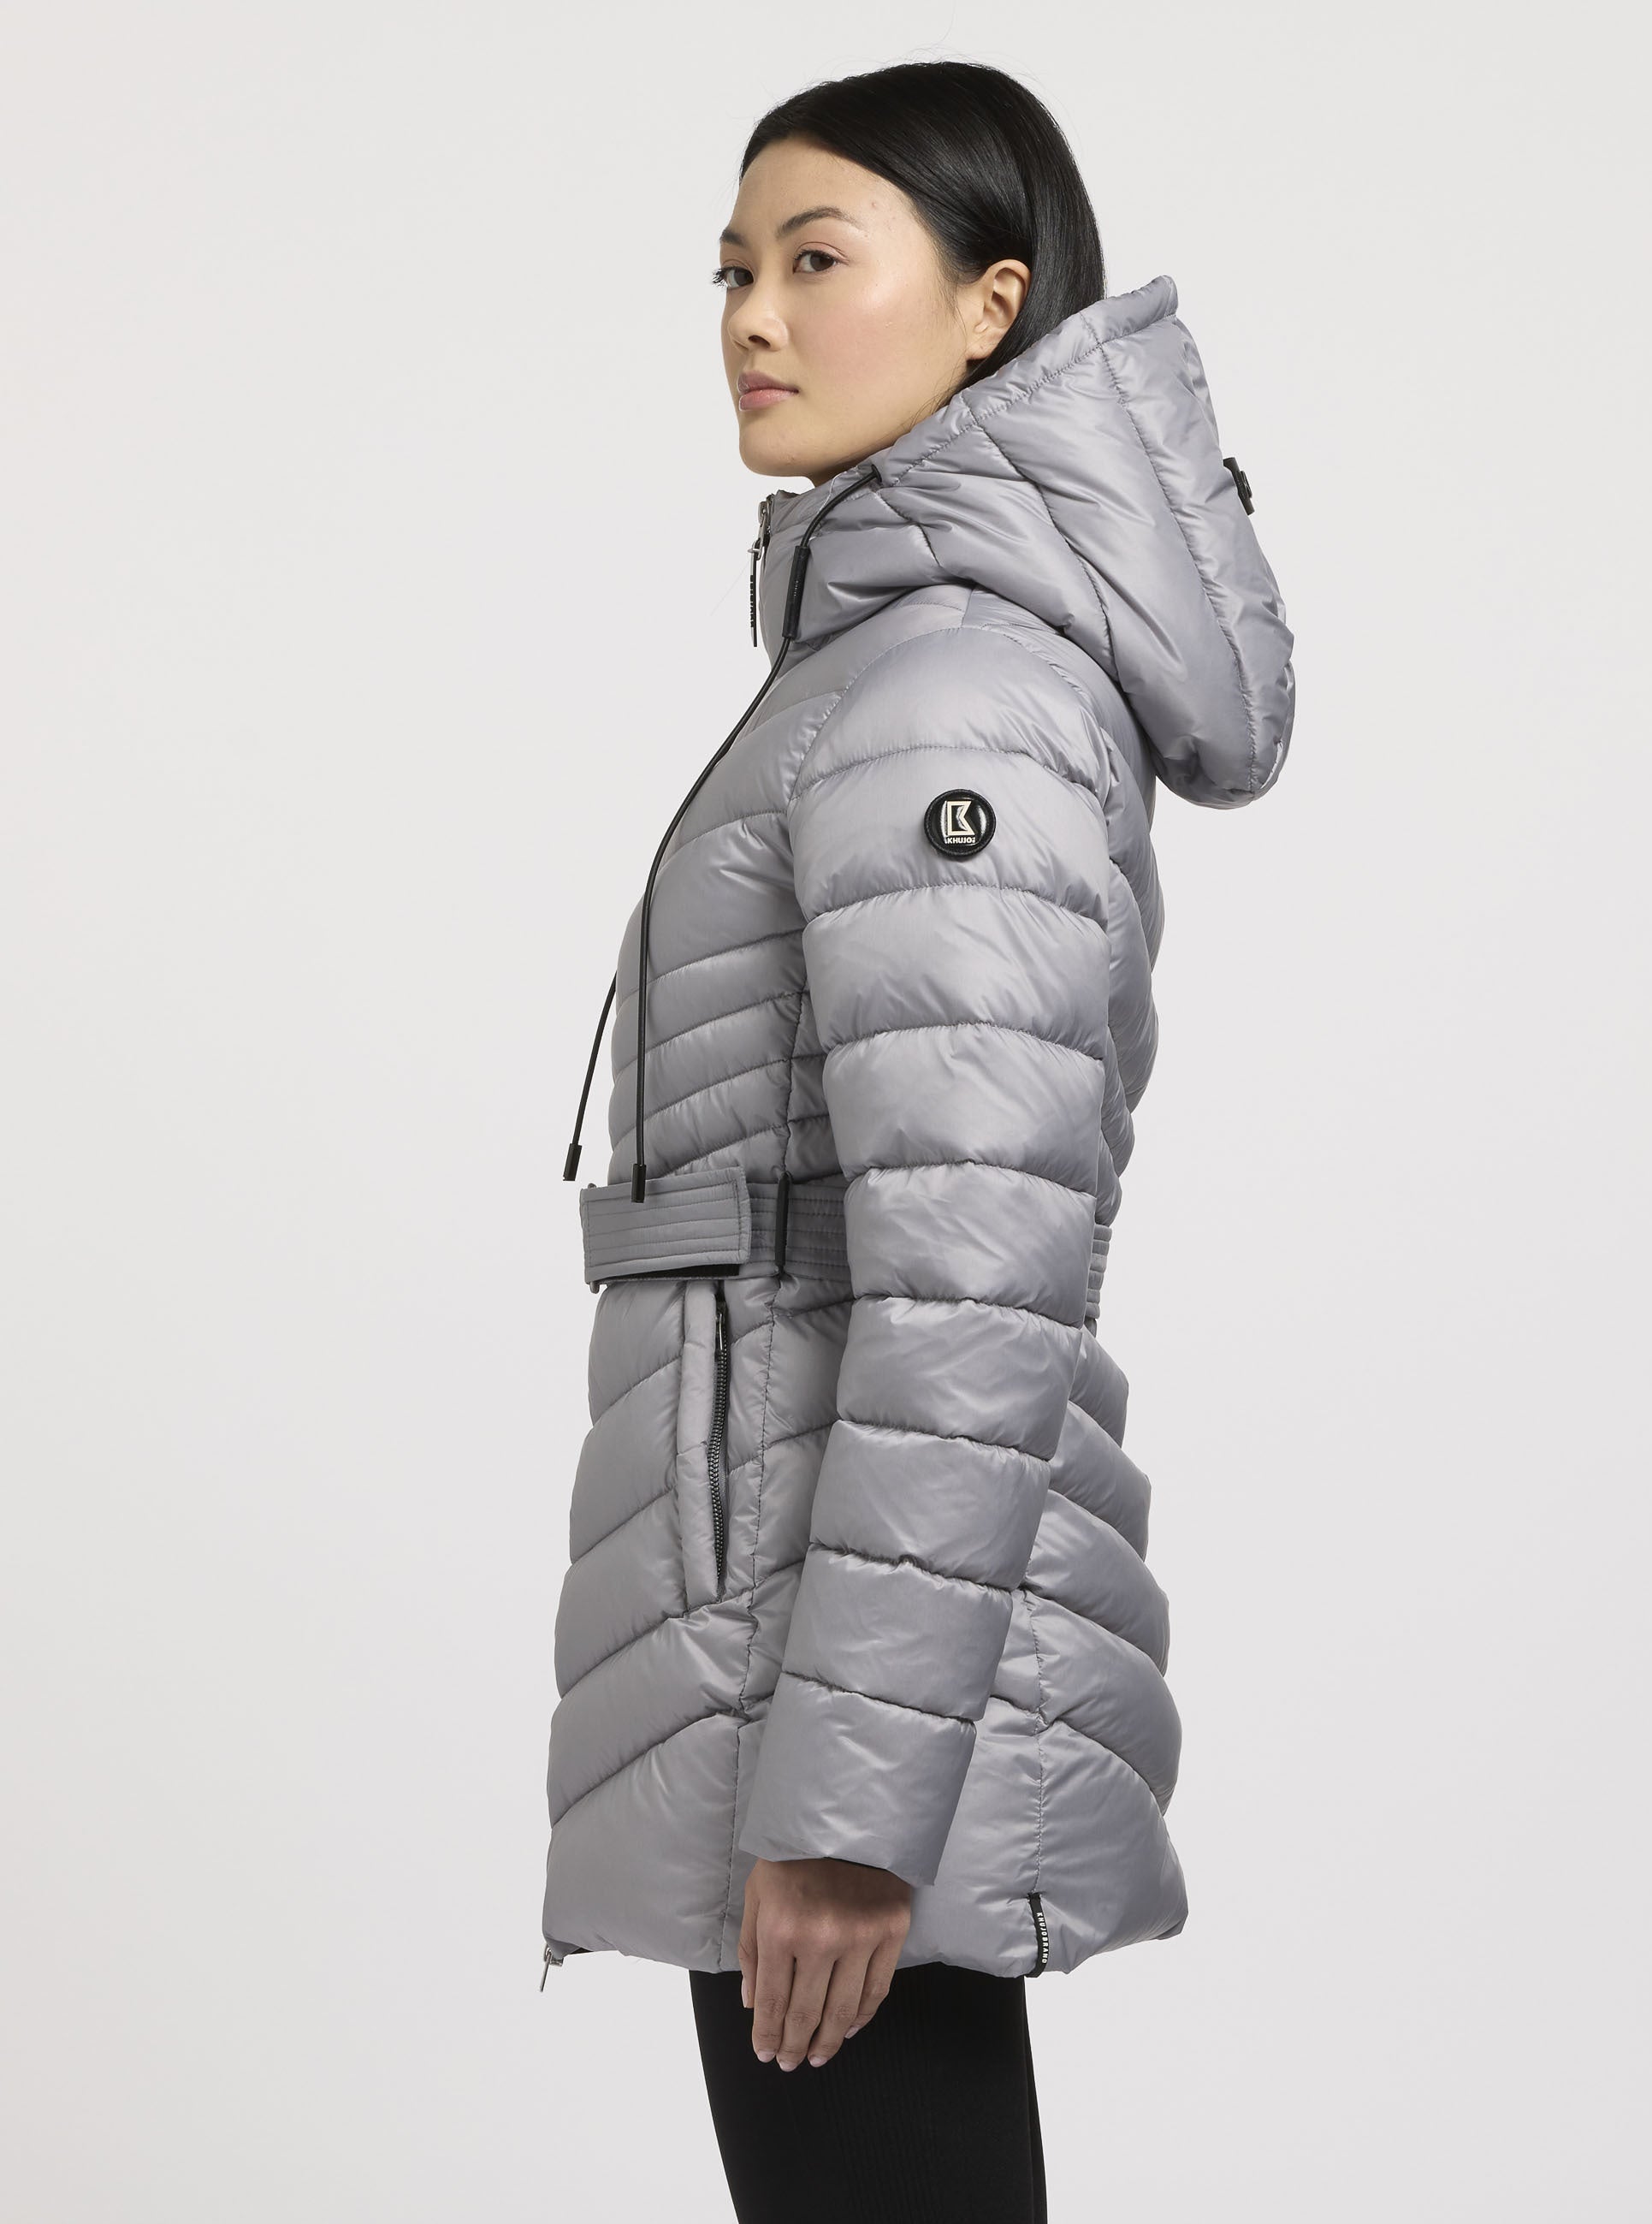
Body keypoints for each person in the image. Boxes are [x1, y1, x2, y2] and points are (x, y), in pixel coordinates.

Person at [541, 58, 1295, 2223]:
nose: (754, 318)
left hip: (841, 1657)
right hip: (787, 1611)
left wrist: (853, 1807)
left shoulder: (951, 692)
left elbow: (976, 1281)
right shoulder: (873, 666)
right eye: (731, 271)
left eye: (817, 258)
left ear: (989, 303)